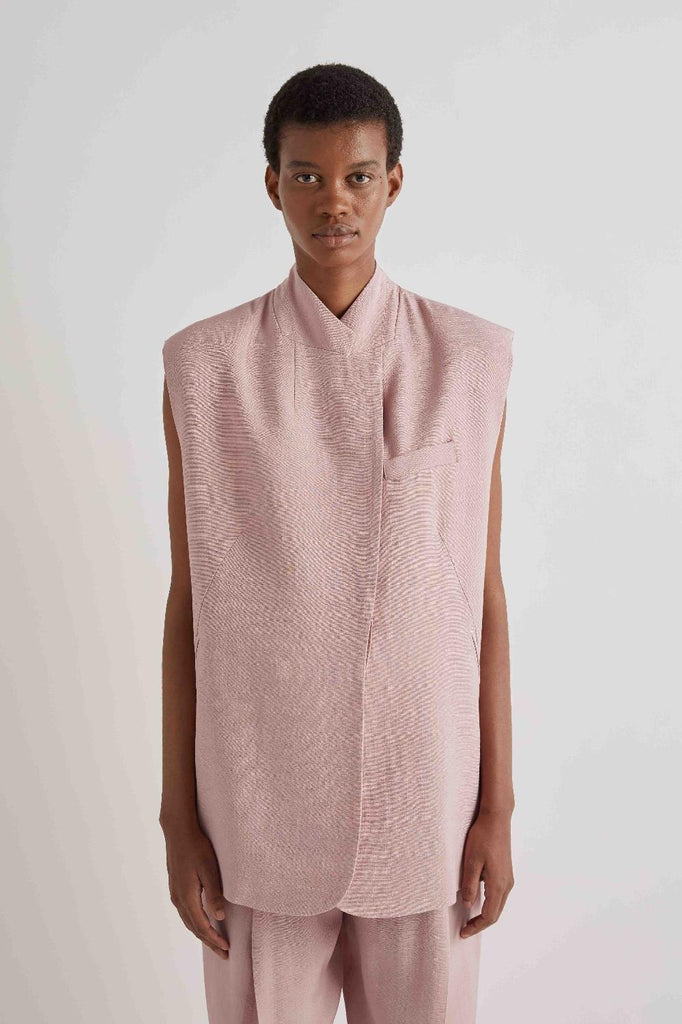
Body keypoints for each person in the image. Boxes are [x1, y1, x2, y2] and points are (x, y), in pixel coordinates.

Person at [160, 62, 515, 1024]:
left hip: (427, 806)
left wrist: (497, 808)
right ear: (272, 185)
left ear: (392, 182)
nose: (334, 202)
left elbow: (483, 597)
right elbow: (190, 605)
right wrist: (178, 820)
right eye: (307, 177)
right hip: (254, 808)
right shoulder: (204, 367)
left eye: (357, 176)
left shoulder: (471, 359)